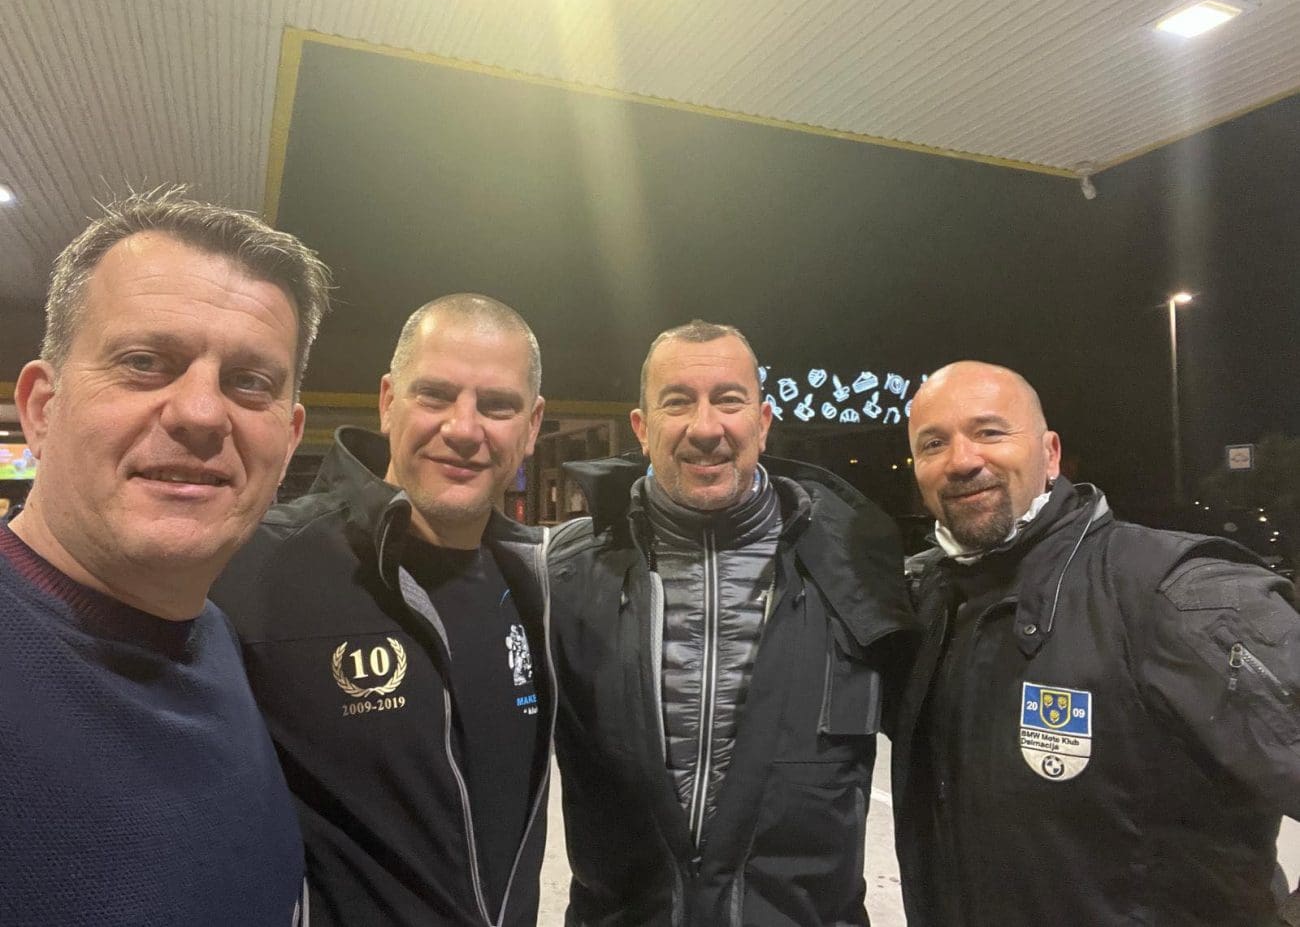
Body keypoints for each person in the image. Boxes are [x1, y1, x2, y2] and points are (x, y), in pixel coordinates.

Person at [1, 189, 331, 926]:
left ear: (287, 440)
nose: (202, 413)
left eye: (250, 382)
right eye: (146, 362)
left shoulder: (215, 639)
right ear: (42, 409)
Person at [895, 359, 1300, 927]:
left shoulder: (1176, 594)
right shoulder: (930, 605)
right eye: (933, 443)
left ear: (1050, 455)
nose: (961, 460)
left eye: (989, 432)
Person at [548, 320, 914, 925]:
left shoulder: (856, 571)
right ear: (641, 428)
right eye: (677, 402)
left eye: (728, 400)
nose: (705, 428)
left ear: (763, 422)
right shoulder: (567, 573)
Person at [212, 294, 554, 927]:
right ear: (388, 400)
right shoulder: (256, 565)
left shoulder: (537, 583)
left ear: (531, 426)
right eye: (435, 395)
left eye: (497, 406)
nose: (464, 429)